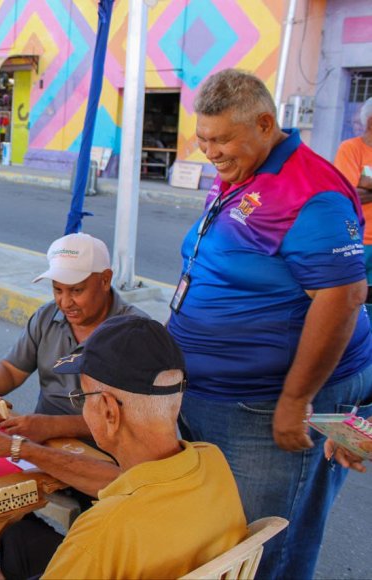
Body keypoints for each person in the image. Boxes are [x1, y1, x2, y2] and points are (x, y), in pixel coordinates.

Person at [166, 69, 372, 579]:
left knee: (269, 542)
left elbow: (343, 299)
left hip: (266, 407)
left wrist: (296, 401)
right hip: (216, 393)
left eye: (221, 139)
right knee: (223, 534)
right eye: (203, 137)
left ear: (263, 123)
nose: (209, 151)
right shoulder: (244, 166)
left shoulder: (311, 192)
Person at [0, 315, 247, 580]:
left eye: (82, 396)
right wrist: (20, 448)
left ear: (109, 412)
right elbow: (119, 482)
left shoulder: (102, 532)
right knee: (18, 532)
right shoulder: (212, 461)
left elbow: (118, 509)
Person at [0, 233, 146, 441]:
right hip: (43, 439)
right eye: (57, 289)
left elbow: (136, 418)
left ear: (105, 280)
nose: (65, 302)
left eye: (76, 290)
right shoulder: (46, 316)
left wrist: (56, 426)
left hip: (108, 453)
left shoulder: (138, 334)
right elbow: (11, 370)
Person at [334, 97, 372, 322]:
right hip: (356, 241)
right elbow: (347, 195)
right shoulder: (350, 149)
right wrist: (358, 189)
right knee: (352, 304)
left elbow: (359, 191)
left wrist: (365, 183)